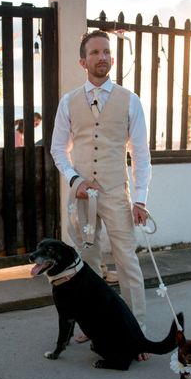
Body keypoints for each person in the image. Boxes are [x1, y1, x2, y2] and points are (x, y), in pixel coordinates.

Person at [50, 30, 151, 355]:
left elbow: (141, 153)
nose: (102, 57)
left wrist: (140, 198)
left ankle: (137, 332)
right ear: (83, 61)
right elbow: (57, 150)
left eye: (106, 51)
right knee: (85, 265)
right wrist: (75, 180)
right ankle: (90, 326)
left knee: (127, 261)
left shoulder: (129, 100)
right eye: (95, 52)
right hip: (80, 196)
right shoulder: (68, 102)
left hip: (115, 195)